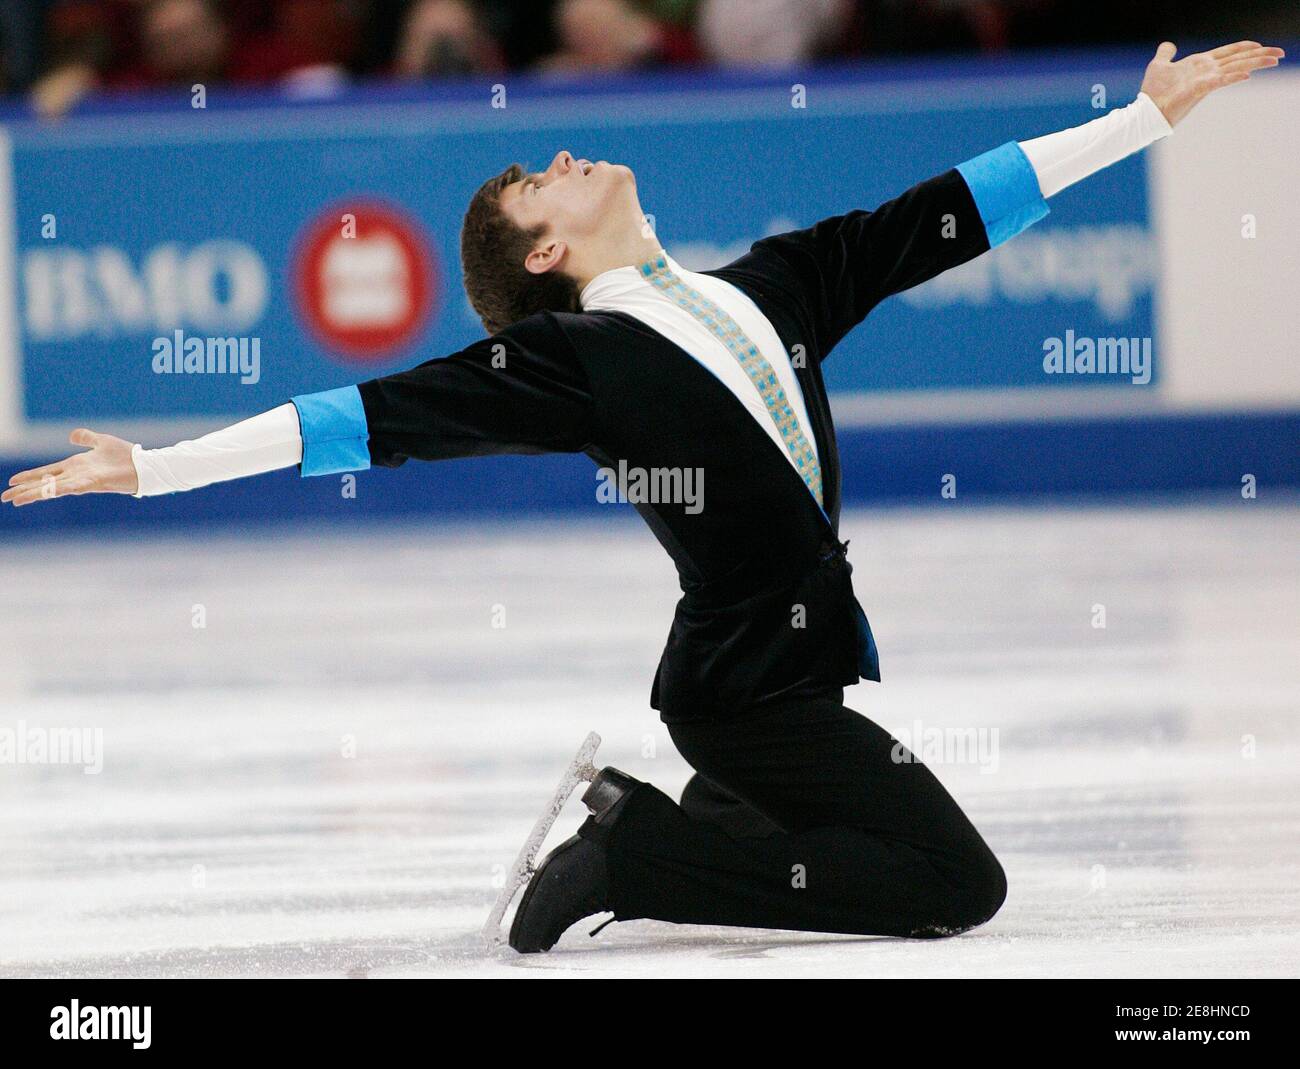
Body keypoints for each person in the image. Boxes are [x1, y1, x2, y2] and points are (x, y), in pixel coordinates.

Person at [5, 41, 1283, 953]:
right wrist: (155, 465)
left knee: (862, 836)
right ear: (547, 255)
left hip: (781, 679)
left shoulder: (768, 285)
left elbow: (945, 212)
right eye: (536, 183)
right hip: (742, 698)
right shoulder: (570, 359)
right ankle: (640, 853)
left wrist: (1144, 120)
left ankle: (717, 818)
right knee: (955, 884)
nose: (563, 156)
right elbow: (364, 420)